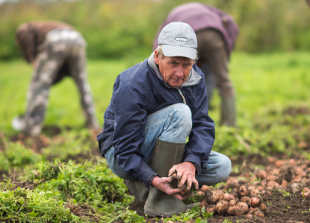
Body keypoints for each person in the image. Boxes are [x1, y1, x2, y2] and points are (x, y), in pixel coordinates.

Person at [97, 22, 231, 217]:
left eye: (186, 64)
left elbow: (202, 125)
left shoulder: (196, 79)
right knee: (180, 113)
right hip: (122, 153)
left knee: (222, 166)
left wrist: (191, 163)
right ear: (158, 56)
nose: (180, 73)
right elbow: (125, 149)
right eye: (173, 63)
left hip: (161, 152)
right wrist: (151, 177)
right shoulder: (133, 84)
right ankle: (159, 200)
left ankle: (155, 186)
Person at [153, 3, 239, 127]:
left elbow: (159, 43)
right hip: (215, 35)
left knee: (182, 78)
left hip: (192, 36)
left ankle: (185, 120)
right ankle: (230, 124)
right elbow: (231, 25)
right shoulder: (213, 11)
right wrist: (226, 53)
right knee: (223, 80)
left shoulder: (172, 17)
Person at [13, 21, 99, 136]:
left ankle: (31, 128)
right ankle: (92, 123)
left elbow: (23, 32)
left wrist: (32, 58)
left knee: (38, 85)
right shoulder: (46, 26)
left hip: (56, 39)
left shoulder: (25, 27)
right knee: (82, 84)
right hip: (77, 39)